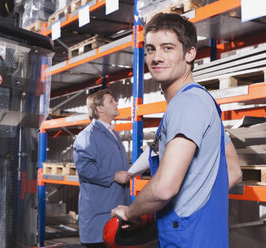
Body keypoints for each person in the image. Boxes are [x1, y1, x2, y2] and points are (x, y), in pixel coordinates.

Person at [112, 13, 241, 247]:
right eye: (150, 49)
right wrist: (186, 201)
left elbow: (164, 188)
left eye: (168, 48)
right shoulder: (203, 101)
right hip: (209, 237)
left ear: (190, 53)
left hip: (186, 238)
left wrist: (131, 212)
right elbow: (233, 170)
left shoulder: (186, 104)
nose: (156, 57)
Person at [73, 89, 132, 248]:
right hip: (99, 217)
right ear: (100, 108)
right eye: (112, 101)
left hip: (115, 211)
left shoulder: (111, 133)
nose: (116, 103)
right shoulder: (88, 135)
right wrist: (113, 176)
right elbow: (85, 168)